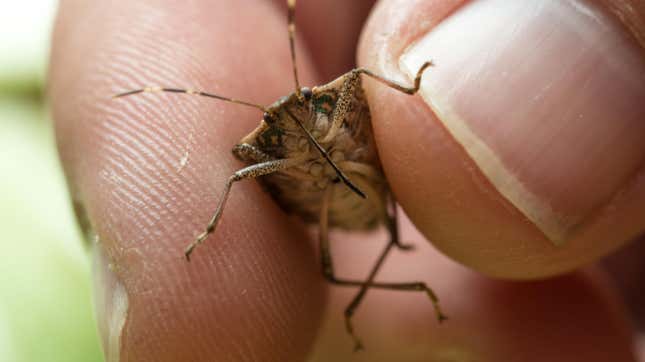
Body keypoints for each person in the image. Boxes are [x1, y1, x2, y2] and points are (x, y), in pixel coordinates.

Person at [49, 0, 645, 361]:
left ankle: (392, 286)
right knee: (335, 270)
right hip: (334, 207)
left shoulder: (340, 103)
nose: (300, 122)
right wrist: (206, 231)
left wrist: (411, 90)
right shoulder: (273, 151)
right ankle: (401, 296)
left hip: (376, 192)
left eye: (303, 111)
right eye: (290, 123)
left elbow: (363, 70)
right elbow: (234, 168)